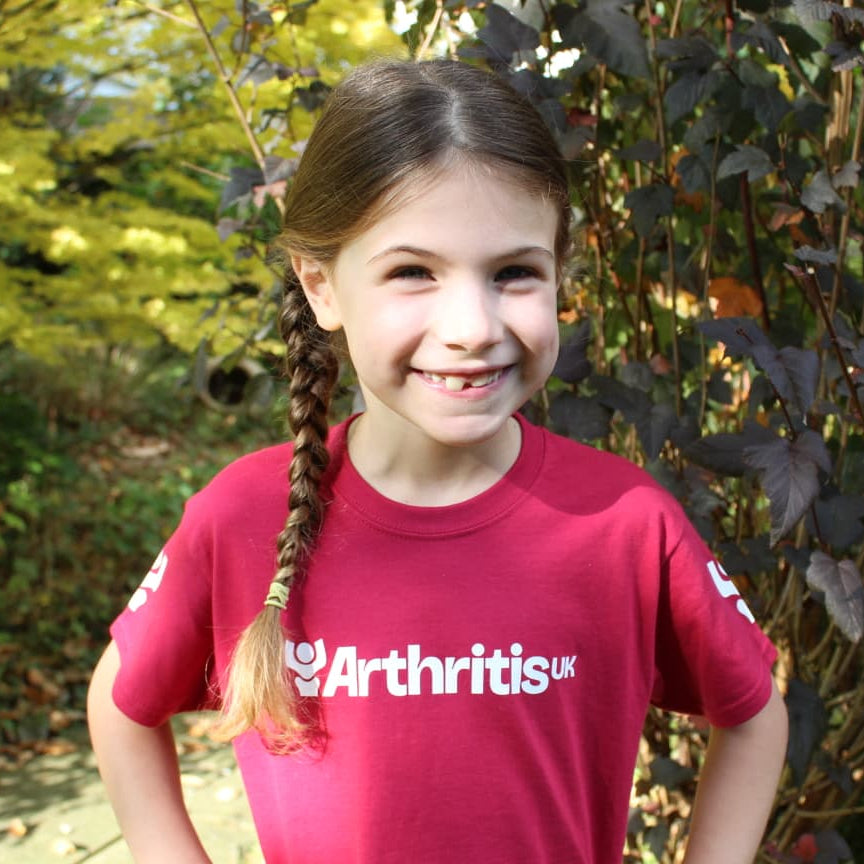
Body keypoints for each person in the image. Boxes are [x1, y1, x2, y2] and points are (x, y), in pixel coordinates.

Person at [87, 59, 788, 864]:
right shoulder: (243, 513)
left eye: (514, 273)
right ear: (321, 285)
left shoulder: (625, 522)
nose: (472, 326)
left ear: (559, 273)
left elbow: (754, 711)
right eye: (413, 273)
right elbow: (121, 704)